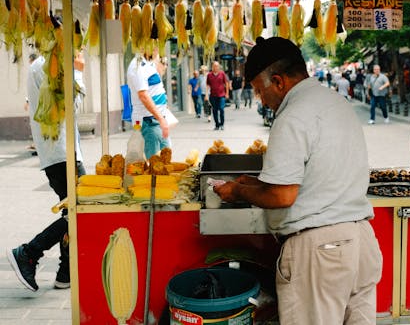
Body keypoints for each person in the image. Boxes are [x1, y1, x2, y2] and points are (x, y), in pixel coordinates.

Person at [213, 37, 382, 325]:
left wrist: (240, 190)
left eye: (258, 91)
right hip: (361, 244)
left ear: (277, 81)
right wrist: (253, 183)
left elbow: (283, 196)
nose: (260, 100)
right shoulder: (335, 102)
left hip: (320, 254)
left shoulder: (292, 116)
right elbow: (315, 177)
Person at [7, 52, 86, 292]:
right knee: (80, 209)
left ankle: (65, 273)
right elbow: (71, 105)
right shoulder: (47, 66)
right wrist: (78, 72)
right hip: (61, 152)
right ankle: (29, 252)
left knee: (72, 211)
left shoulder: (42, 65)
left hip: (60, 151)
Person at [127, 48, 172, 159]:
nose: (157, 48)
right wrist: (161, 119)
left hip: (157, 121)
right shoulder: (137, 66)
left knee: (165, 159)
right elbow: (143, 95)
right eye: (154, 44)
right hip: (149, 121)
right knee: (155, 164)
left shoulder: (148, 63)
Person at [206, 61, 230, 130]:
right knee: (215, 110)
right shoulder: (209, 75)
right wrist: (206, 95)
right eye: (214, 66)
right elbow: (207, 85)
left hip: (221, 95)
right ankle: (217, 125)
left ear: (219, 67)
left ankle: (222, 124)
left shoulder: (222, 73)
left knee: (221, 109)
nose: (216, 67)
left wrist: (227, 93)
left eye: (217, 66)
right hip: (213, 96)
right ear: (212, 67)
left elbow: (226, 83)